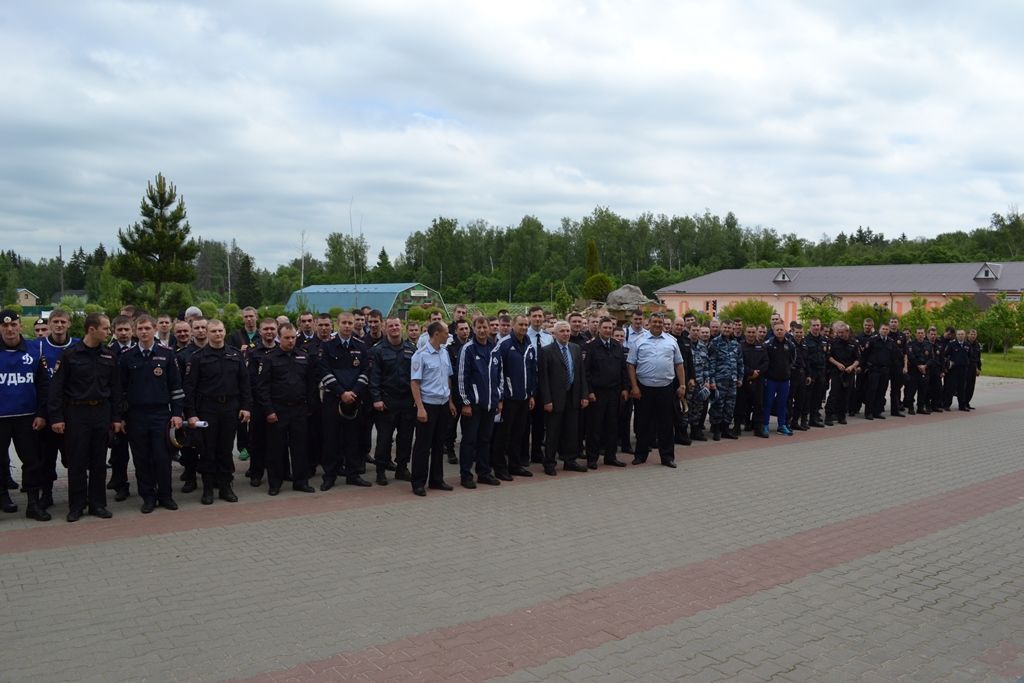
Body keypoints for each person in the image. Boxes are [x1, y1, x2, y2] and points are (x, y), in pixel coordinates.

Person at [48, 313, 122, 522]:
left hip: (101, 413)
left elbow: (116, 390)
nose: (109, 332)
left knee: (99, 461)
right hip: (77, 414)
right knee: (77, 462)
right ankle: (77, 505)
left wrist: (116, 418)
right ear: (92, 329)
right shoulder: (70, 355)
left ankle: (98, 504)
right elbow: (56, 389)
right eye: (105, 328)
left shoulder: (109, 356)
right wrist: (56, 417)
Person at [119, 314, 183, 513]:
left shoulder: (167, 354)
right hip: (136, 416)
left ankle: (165, 496)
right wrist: (121, 417)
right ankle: (148, 497)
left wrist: (177, 413)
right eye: (140, 328)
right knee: (141, 458)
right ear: (135, 331)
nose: (144, 332)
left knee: (162, 457)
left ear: (154, 329)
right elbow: (120, 390)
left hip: (161, 415)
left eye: (147, 328)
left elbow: (176, 387)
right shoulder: (127, 356)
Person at [183, 319, 252, 504]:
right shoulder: (198, 357)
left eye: (220, 330)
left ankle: (225, 487)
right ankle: (207, 488)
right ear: (207, 333)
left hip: (230, 408)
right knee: (207, 449)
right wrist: (191, 413)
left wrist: (246, 407)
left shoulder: (235, 355)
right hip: (207, 409)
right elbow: (189, 388)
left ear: (225, 331)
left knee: (226, 449)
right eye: (213, 331)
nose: (217, 334)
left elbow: (245, 384)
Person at [254, 323, 317, 495]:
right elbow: (262, 387)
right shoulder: (269, 358)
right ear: (279, 338)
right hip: (278, 410)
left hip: (299, 409)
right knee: (276, 449)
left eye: (293, 337)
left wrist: (309, 407)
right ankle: (275, 483)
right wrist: (269, 410)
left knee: (300, 448)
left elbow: (311, 384)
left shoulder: (303, 356)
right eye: (287, 338)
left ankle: (301, 481)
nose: (290, 341)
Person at [0, 310, 51, 521]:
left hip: (28, 418)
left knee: (32, 461)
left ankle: (33, 504)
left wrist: (41, 414)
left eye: (14, 325)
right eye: (5, 326)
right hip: (1, 419)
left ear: (21, 326)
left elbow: (43, 385)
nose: (10, 329)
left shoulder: (34, 350)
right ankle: (3, 498)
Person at [317, 311, 372, 490]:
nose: (347, 326)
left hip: (354, 401)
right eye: (344, 323)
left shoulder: (361, 346)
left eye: (350, 323)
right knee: (331, 440)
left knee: (353, 439)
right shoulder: (327, 346)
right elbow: (324, 372)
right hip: (333, 400)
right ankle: (329, 476)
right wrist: (342, 393)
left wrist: (353, 393)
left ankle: (353, 475)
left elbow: (365, 371)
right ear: (337, 324)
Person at [627, 313, 685, 468]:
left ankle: (667, 457)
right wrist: (634, 387)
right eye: (655, 322)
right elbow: (631, 365)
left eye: (660, 322)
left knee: (666, 424)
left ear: (664, 324)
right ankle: (640, 455)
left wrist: (682, 385)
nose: (658, 324)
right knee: (643, 423)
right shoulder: (639, 341)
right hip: (644, 388)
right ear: (649, 323)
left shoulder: (672, 341)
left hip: (666, 388)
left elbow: (679, 364)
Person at [35, 308, 77, 510]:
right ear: (49, 324)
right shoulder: (37, 346)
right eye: (56, 321)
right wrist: (41, 413)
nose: (59, 325)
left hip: (72, 412)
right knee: (46, 457)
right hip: (46, 412)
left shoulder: (78, 345)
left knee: (74, 458)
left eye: (63, 322)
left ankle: (77, 495)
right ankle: (47, 494)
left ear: (69, 324)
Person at [409, 321, 457, 496]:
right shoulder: (420, 355)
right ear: (436, 334)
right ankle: (418, 482)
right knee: (423, 445)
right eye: (446, 332)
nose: (448, 335)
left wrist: (450, 401)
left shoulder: (444, 352)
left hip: (443, 404)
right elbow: (415, 383)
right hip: (428, 405)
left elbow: (448, 378)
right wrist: (420, 408)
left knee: (438, 443)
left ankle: (437, 479)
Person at [368, 317, 417, 485]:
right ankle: (380, 470)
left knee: (406, 438)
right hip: (387, 402)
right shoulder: (377, 350)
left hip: (407, 401)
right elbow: (374, 377)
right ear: (385, 328)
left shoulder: (411, 349)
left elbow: (416, 376)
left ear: (401, 326)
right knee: (384, 439)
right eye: (391, 325)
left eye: (397, 325)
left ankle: (402, 468)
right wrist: (376, 399)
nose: (394, 328)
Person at [455, 316, 501, 488]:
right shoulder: (467, 349)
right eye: (479, 327)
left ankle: (484, 473)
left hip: (490, 403)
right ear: (473, 329)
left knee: (485, 440)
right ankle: (466, 475)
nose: (482, 331)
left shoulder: (494, 348)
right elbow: (461, 377)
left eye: (485, 327)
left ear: (489, 328)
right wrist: (465, 402)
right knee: (469, 441)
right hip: (473, 405)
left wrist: (499, 398)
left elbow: (499, 374)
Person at [538, 321, 589, 474]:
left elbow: (581, 373)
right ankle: (549, 463)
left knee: (571, 431)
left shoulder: (575, 348)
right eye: (562, 331)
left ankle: (570, 460)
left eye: (567, 331)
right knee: (553, 432)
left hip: (573, 395)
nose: (566, 334)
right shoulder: (546, 351)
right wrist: (547, 400)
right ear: (554, 334)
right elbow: (543, 378)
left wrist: (584, 395)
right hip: (555, 398)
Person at [491, 314, 537, 480]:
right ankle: (499, 468)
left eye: (526, 325)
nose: (524, 328)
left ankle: (515, 465)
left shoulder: (529, 344)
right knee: (503, 435)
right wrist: (500, 398)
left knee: (519, 434)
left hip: (524, 398)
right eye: (521, 324)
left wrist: (531, 394)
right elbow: (496, 372)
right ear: (512, 325)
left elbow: (532, 370)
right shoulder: (503, 344)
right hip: (508, 399)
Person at [585, 316, 629, 468]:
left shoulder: (617, 346)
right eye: (605, 327)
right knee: (595, 427)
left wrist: (625, 388)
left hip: (614, 392)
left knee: (612, 426)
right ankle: (592, 458)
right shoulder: (591, 347)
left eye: (610, 328)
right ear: (599, 329)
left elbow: (623, 369)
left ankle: (611, 457)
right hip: (597, 393)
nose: (608, 330)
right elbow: (586, 372)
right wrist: (589, 391)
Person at [244, 318, 280, 487]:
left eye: (272, 329)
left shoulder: (281, 350)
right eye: (266, 329)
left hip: (277, 402)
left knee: (277, 442)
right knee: (257, 441)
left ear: (277, 330)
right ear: (260, 331)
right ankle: (256, 473)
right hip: (258, 404)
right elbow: (250, 380)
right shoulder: (253, 352)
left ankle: (279, 472)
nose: (269, 332)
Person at [708, 320, 742, 441]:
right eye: (725, 327)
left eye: (729, 328)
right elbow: (711, 363)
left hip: (732, 381)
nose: (727, 330)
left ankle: (726, 429)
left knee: (730, 406)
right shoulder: (714, 343)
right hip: (719, 380)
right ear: (721, 328)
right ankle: (716, 430)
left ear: (732, 329)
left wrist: (740, 378)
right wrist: (712, 380)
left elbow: (740, 362)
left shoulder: (735, 344)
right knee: (718, 405)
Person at [445, 320, 471, 464]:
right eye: (461, 329)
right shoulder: (450, 349)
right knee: (451, 424)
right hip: (455, 391)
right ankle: (450, 450)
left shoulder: (472, 346)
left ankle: (467, 452)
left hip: (469, 391)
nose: (464, 331)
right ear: (455, 331)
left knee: (468, 425)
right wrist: (450, 399)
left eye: (466, 328)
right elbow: (450, 374)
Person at [762, 323, 795, 436]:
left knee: (782, 403)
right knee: (768, 403)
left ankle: (781, 425)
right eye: (777, 330)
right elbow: (765, 360)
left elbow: (793, 359)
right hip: (771, 379)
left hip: (784, 380)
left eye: (781, 329)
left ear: (785, 330)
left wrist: (787, 370)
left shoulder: (790, 344)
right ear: (774, 331)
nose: (779, 331)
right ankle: (765, 425)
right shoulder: (768, 344)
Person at [736, 324, 768, 436]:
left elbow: (766, 362)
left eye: (753, 332)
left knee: (758, 405)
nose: (751, 334)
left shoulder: (762, 346)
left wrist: (757, 373)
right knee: (740, 404)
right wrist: (750, 372)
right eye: (749, 332)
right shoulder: (740, 346)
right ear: (745, 333)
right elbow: (738, 363)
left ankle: (758, 429)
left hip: (758, 380)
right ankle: (737, 427)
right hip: (744, 379)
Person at [824, 322, 859, 425]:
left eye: (842, 332)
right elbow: (829, 357)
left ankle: (842, 416)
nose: (840, 334)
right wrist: (837, 364)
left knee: (846, 395)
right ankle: (829, 416)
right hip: (836, 372)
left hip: (849, 372)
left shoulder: (854, 343)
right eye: (838, 332)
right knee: (834, 394)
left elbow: (858, 359)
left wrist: (852, 367)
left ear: (847, 332)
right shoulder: (833, 342)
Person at [861, 323, 896, 420]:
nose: (885, 331)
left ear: (889, 331)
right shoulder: (873, 340)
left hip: (885, 370)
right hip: (874, 369)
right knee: (872, 391)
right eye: (883, 329)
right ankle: (868, 412)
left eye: (886, 329)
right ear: (879, 330)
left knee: (881, 391)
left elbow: (893, 356)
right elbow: (865, 354)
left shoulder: (890, 341)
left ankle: (877, 412)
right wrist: (864, 368)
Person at [688, 326, 712, 442]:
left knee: (698, 408)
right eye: (694, 330)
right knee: (686, 408)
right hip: (688, 383)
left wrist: (707, 381)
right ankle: (682, 432)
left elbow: (706, 365)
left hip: (700, 382)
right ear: (689, 331)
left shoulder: (703, 346)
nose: (696, 332)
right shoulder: (685, 344)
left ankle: (695, 431)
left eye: (697, 330)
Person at [803, 319, 828, 427]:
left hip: (821, 372)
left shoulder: (824, 340)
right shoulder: (805, 340)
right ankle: (804, 419)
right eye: (814, 325)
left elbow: (825, 356)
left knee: (817, 397)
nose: (816, 327)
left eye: (818, 325)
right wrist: (808, 373)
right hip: (811, 372)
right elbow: (805, 358)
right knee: (807, 397)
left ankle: (813, 419)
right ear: (810, 327)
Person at [904, 327, 932, 415]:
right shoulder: (910, 344)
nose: (920, 335)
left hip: (925, 370)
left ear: (924, 334)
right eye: (918, 333)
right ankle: (910, 408)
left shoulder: (928, 344)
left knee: (923, 390)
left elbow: (932, 358)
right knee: (911, 390)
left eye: (922, 333)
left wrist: (925, 366)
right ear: (915, 334)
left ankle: (920, 407)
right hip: (914, 370)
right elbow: (910, 356)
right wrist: (918, 365)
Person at [944, 329, 970, 411]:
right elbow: (945, 355)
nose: (960, 336)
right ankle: (947, 405)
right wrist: (948, 364)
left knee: (962, 388)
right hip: (954, 369)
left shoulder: (967, 345)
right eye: (959, 334)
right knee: (950, 388)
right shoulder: (952, 344)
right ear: (956, 335)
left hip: (963, 369)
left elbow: (970, 356)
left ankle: (962, 406)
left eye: (962, 334)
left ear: (964, 335)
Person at [964, 329, 981, 410]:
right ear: (968, 335)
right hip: (966, 367)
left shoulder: (977, 345)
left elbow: (978, 358)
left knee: (971, 386)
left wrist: (979, 368)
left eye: (974, 334)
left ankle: (967, 402)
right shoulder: (965, 344)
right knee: (965, 386)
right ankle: (963, 403)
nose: (973, 336)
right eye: (971, 334)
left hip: (973, 367)